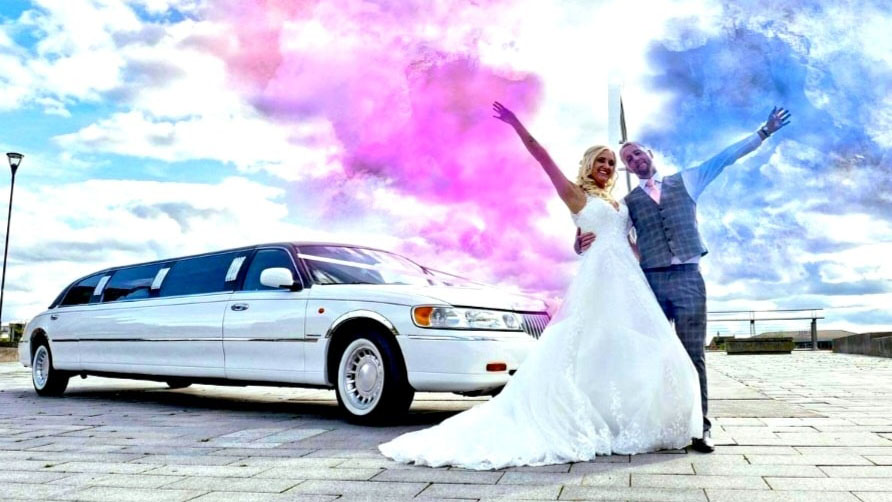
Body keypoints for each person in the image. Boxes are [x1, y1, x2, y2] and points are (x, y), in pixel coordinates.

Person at [377, 102, 703, 470]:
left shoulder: (617, 201)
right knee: (588, 344)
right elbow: (542, 157)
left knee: (634, 348)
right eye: (601, 160)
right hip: (598, 280)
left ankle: (625, 420)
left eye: (612, 162)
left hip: (629, 278)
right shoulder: (575, 195)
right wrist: (517, 124)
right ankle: (588, 419)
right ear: (587, 165)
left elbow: (628, 242)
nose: (607, 167)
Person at [574, 106, 792, 453]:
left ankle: (701, 427)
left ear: (650, 155)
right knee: (651, 355)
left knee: (693, 355)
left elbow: (726, 158)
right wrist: (579, 240)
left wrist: (763, 133)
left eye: (637, 153)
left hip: (689, 280)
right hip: (651, 284)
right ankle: (657, 423)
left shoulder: (688, 179)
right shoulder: (628, 203)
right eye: (628, 158)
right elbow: (610, 232)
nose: (634, 160)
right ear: (628, 168)